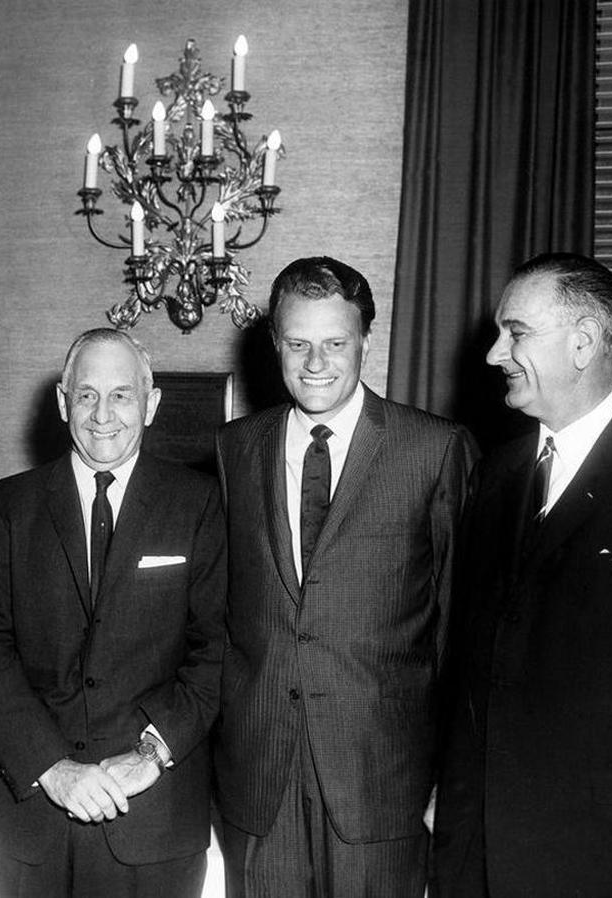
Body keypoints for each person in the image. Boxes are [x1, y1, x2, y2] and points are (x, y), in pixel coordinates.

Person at [215, 257, 477, 897]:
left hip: (382, 780)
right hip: (260, 777)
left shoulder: (435, 449)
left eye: (335, 343)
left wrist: (455, 771)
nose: (315, 363)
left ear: (365, 339)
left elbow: (459, 628)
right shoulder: (233, 448)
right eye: (298, 344)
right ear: (274, 343)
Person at [0, 328, 226, 897]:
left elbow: (218, 649)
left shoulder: (200, 504)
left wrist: (151, 754)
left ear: (151, 405)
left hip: (155, 819)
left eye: (123, 395)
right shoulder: (8, 508)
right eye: (86, 395)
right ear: (62, 402)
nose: (103, 415)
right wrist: (51, 767)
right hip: (34, 819)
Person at [432, 253, 612, 898]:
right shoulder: (495, 473)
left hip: (597, 854)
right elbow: (468, 654)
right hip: (473, 843)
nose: (495, 354)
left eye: (516, 332)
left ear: (582, 343)